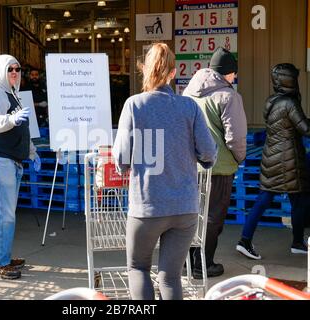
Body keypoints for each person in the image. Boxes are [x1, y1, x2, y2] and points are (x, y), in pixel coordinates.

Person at [112, 43, 217, 300]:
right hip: (185, 208)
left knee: (138, 268)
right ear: (173, 73)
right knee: (170, 277)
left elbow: (122, 159)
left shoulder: (134, 106)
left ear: (145, 71)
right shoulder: (189, 107)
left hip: (148, 207)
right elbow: (209, 154)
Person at [183, 47, 247, 279]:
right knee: (213, 217)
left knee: (192, 214)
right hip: (219, 168)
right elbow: (236, 137)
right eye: (233, 73)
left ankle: (187, 262)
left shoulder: (188, 94)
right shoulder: (229, 96)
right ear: (227, 73)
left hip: (190, 166)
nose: (235, 78)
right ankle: (203, 264)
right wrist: (239, 158)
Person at [236, 63, 310, 259]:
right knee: (299, 200)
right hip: (288, 161)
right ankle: (294, 242)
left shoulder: (273, 101)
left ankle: (294, 242)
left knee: (269, 200)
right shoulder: (289, 103)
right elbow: (305, 128)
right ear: (289, 80)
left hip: (272, 157)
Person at [0, 54, 42, 280]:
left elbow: (22, 129)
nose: (14, 72)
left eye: (17, 69)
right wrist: (11, 120)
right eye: (10, 69)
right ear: (0, 71)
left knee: (7, 215)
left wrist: (32, 152)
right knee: (3, 214)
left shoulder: (12, 93)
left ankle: (3, 257)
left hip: (11, 160)